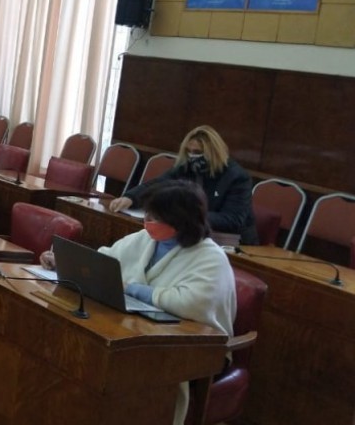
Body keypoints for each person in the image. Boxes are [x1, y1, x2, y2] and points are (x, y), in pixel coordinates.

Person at [41, 180, 236, 425]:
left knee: (125, 365)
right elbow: (104, 261)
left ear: (180, 220)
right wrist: (61, 261)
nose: (147, 222)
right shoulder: (145, 238)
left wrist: (134, 289)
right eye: (147, 215)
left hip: (195, 350)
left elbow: (191, 303)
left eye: (156, 217)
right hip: (140, 330)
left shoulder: (211, 258)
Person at [109, 125, 256, 244]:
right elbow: (158, 184)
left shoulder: (237, 177)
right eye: (189, 151)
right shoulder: (186, 168)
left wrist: (186, 216)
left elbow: (232, 220)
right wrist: (131, 198)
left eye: (197, 152)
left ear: (213, 153)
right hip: (193, 233)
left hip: (232, 242)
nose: (192, 156)